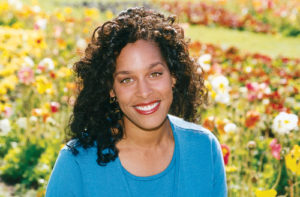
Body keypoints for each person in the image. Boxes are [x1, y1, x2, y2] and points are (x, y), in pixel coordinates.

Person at [46, 7, 227, 197]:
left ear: (173, 76)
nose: (144, 92)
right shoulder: (76, 164)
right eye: (127, 79)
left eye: (155, 74)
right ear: (111, 89)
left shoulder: (204, 149)